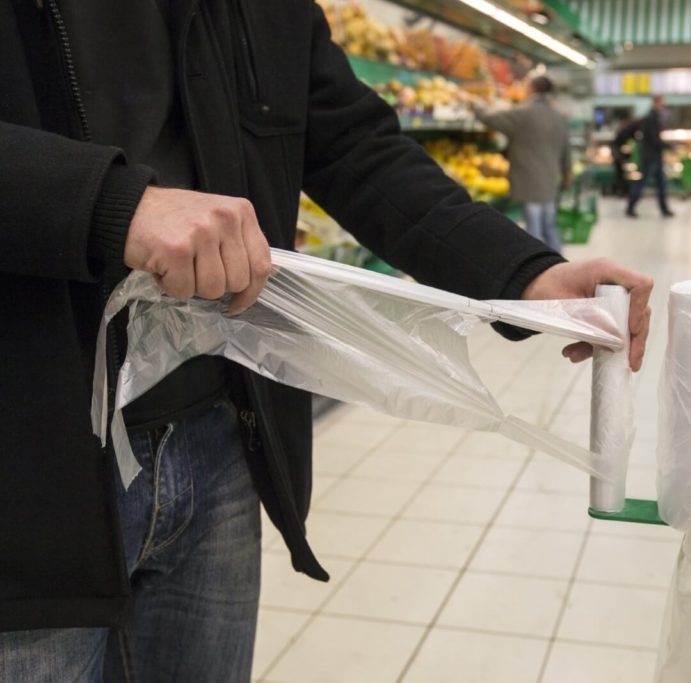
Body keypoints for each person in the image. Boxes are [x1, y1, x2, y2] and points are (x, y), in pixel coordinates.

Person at [0, 3, 654, 681]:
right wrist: (108, 202)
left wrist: (525, 272)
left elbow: (352, 145)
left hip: (219, 431)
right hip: (29, 469)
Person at [476, 76, 571, 252]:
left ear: (533, 89)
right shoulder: (559, 116)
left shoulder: (524, 114)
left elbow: (491, 119)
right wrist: (567, 173)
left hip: (529, 181)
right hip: (550, 181)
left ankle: (538, 271)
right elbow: (566, 150)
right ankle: (560, 265)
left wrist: (476, 105)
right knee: (550, 225)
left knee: (533, 230)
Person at [625, 95, 674, 218]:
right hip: (650, 157)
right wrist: (668, 146)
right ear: (656, 103)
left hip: (655, 156)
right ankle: (630, 206)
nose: (662, 106)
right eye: (661, 103)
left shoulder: (654, 118)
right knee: (643, 183)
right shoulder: (651, 119)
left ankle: (664, 208)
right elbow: (654, 139)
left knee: (661, 184)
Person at [611, 114, 636, 197]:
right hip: (620, 158)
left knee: (623, 176)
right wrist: (619, 157)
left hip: (621, 158)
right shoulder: (623, 133)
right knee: (621, 176)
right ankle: (621, 191)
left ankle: (623, 191)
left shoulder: (625, 132)